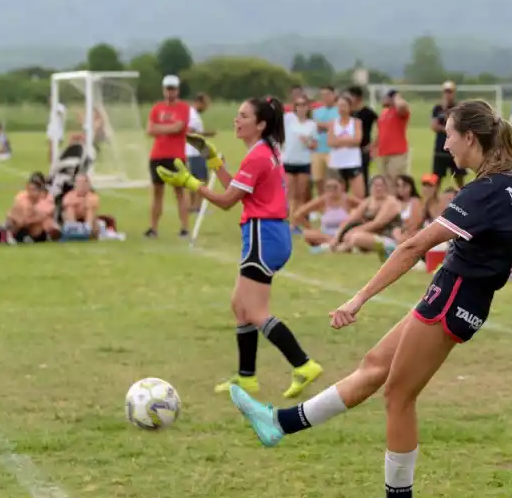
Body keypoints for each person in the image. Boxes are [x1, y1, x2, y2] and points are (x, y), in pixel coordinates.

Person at [228, 99, 512, 498]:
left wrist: (358, 299)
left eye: (450, 135)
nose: (446, 143)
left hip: (451, 301)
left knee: (398, 396)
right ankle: (280, 424)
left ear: (470, 138)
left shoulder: (481, 193)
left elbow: (413, 246)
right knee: (373, 366)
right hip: (458, 297)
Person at [154, 96, 324, 398]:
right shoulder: (266, 149)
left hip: (263, 235)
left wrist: (191, 183)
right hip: (269, 234)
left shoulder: (258, 155)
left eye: (243, 116)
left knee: (256, 312)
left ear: (260, 124)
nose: (237, 120)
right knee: (239, 305)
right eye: (237, 114)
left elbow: (226, 201)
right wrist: (213, 160)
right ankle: (247, 377)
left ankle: (304, 364)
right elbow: (239, 191)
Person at [145, 75, 192, 239]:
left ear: (177, 90)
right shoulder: (157, 108)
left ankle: (185, 227)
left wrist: (159, 128)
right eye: (168, 89)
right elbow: (149, 130)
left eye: (173, 89)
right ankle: (153, 228)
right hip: (157, 155)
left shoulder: (183, 107)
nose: (170, 92)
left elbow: (178, 127)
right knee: (157, 192)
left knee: (180, 192)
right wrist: (167, 128)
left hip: (176, 155)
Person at [330, 175, 402, 255]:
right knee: (347, 233)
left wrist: (352, 232)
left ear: (386, 188)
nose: (378, 188)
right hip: (371, 235)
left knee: (356, 238)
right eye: (375, 185)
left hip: (388, 237)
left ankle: (342, 248)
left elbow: (377, 223)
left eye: (381, 185)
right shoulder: (368, 201)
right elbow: (351, 219)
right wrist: (338, 235)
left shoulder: (390, 202)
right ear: (370, 187)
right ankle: (342, 246)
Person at [293, 177, 360, 248]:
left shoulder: (348, 199)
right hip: (326, 234)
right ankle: (334, 242)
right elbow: (298, 214)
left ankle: (334, 243)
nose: (332, 190)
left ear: (342, 186)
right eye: (329, 187)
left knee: (355, 234)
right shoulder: (323, 200)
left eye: (334, 187)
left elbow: (365, 206)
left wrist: (355, 215)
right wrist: (310, 227)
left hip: (344, 233)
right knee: (306, 233)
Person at [282, 96, 318, 228]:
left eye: (303, 105)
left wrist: (307, 142)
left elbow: (314, 145)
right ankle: (289, 221)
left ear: (308, 107)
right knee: (290, 194)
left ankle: (298, 221)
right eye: (298, 105)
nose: (301, 108)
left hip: (304, 162)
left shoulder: (312, 124)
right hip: (288, 161)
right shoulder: (288, 119)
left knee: (301, 194)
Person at [327, 95, 365, 198]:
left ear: (350, 107)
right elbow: (331, 142)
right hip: (336, 163)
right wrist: (349, 140)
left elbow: (357, 140)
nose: (341, 108)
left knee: (359, 195)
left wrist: (339, 141)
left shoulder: (356, 123)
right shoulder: (332, 123)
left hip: (353, 162)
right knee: (338, 196)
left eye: (344, 105)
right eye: (339, 106)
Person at [431, 81, 466, 189]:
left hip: (456, 148)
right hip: (441, 147)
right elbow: (434, 126)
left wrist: (446, 114)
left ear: (454, 93)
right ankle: (434, 198)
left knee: (459, 177)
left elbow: (458, 126)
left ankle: (462, 196)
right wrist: (448, 129)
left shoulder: (458, 108)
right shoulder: (437, 108)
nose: (447, 95)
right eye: (446, 92)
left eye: (450, 92)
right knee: (436, 178)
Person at [186, 93, 216, 214]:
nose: (206, 107)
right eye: (205, 104)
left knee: (194, 180)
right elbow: (189, 131)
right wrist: (207, 133)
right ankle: (197, 207)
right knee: (202, 179)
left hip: (192, 152)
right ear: (199, 102)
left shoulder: (191, 113)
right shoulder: (193, 115)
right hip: (195, 152)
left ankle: (192, 206)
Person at [6, 172, 59, 243]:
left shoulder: (47, 197)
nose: (31, 192)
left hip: (36, 226)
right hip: (20, 225)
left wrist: (33, 217)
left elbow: (45, 213)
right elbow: (20, 217)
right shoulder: (22, 197)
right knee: (17, 216)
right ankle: (11, 235)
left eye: (35, 189)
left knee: (47, 223)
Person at [373, 90, 410, 183]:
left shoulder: (399, 112)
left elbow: (402, 106)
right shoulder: (384, 113)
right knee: (384, 181)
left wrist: (397, 97)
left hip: (397, 153)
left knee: (395, 180)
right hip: (383, 153)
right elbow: (380, 132)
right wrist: (374, 146)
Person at [348, 86, 378, 191]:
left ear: (358, 98)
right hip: (348, 149)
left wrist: (373, 145)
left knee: (363, 176)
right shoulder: (347, 113)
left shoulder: (368, 112)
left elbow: (381, 127)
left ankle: (365, 198)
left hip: (363, 149)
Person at [312, 86, 339, 197]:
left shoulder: (339, 111)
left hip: (333, 150)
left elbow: (336, 127)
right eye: (323, 95)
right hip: (318, 150)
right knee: (318, 179)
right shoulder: (316, 112)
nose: (325, 97)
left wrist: (324, 126)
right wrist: (327, 126)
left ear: (334, 95)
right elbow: (315, 127)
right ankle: (322, 203)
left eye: (328, 94)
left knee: (333, 179)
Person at [391, 174, 423, 245]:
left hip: (411, 233)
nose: (401, 188)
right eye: (398, 186)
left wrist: (404, 228)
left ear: (411, 187)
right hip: (396, 233)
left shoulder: (415, 201)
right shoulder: (394, 201)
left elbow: (416, 223)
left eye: (404, 185)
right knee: (396, 231)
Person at [46, 96, 66, 164]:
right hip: (51, 130)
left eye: (51, 100)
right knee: (51, 147)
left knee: (57, 147)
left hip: (58, 130)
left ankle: (57, 160)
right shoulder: (52, 108)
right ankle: (52, 161)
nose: (50, 101)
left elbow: (61, 113)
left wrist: (56, 110)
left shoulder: (59, 106)